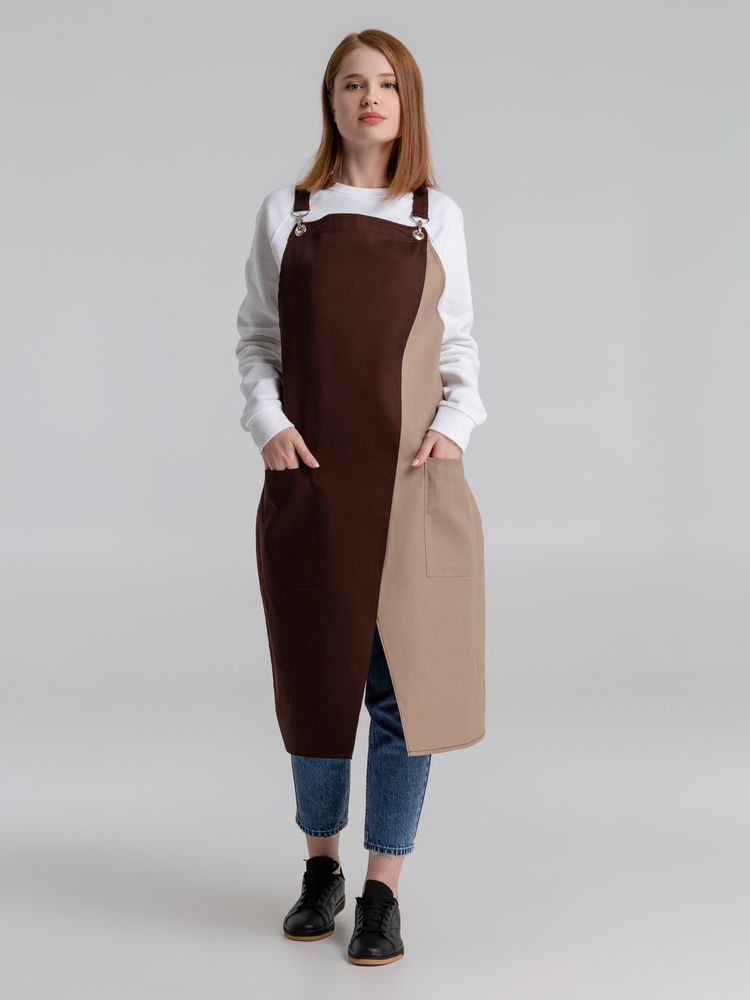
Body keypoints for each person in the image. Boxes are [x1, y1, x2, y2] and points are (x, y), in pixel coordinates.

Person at [234, 28, 488, 965]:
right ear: (331, 101)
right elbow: (257, 340)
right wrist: (269, 423)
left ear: (406, 102)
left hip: (412, 483)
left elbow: (459, 347)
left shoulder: (434, 215)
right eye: (351, 83)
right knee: (316, 679)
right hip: (310, 481)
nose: (369, 97)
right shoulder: (288, 213)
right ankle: (320, 870)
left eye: (386, 84)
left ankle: (382, 889)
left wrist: (454, 426)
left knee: (401, 691)